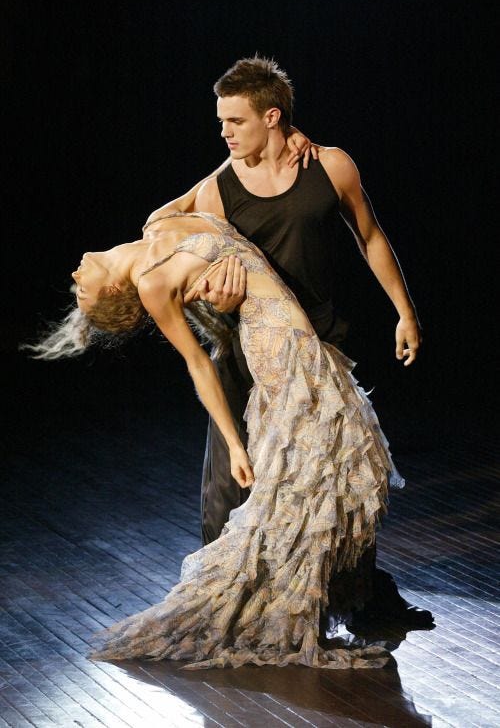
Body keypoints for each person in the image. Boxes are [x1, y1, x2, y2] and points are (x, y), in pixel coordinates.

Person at [30, 209, 402, 669]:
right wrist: (234, 444)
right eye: (82, 289)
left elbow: (221, 175)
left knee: (341, 473)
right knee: (318, 485)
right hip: (282, 366)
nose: (75, 275)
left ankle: (307, 601)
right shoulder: (152, 284)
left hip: (306, 352)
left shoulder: (159, 222)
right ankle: (279, 612)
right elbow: (198, 364)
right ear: (110, 291)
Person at [143, 56, 432, 632]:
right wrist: (214, 285)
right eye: (221, 122)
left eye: (236, 121)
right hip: (246, 355)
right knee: (229, 488)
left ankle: (359, 599)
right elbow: (157, 225)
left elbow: (370, 236)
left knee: (338, 483)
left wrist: (405, 312)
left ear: (272, 117)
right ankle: (225, 610)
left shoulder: (330, 166)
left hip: (318, 348)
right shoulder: (220, 189)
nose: (224, 133)